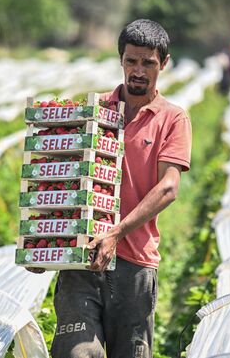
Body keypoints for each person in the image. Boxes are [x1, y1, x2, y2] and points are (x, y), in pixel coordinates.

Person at [31, 19, 192, 358]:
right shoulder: (93, 111)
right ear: (120, 59)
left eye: (147, 62)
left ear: (163, 63)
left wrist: (116, 233)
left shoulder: (172, 119)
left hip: (135, 263)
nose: (138, 70)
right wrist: (44, 245)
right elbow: (63, 179)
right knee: (76, 354)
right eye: (131, 60)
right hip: (83, 263)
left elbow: (169, 187)